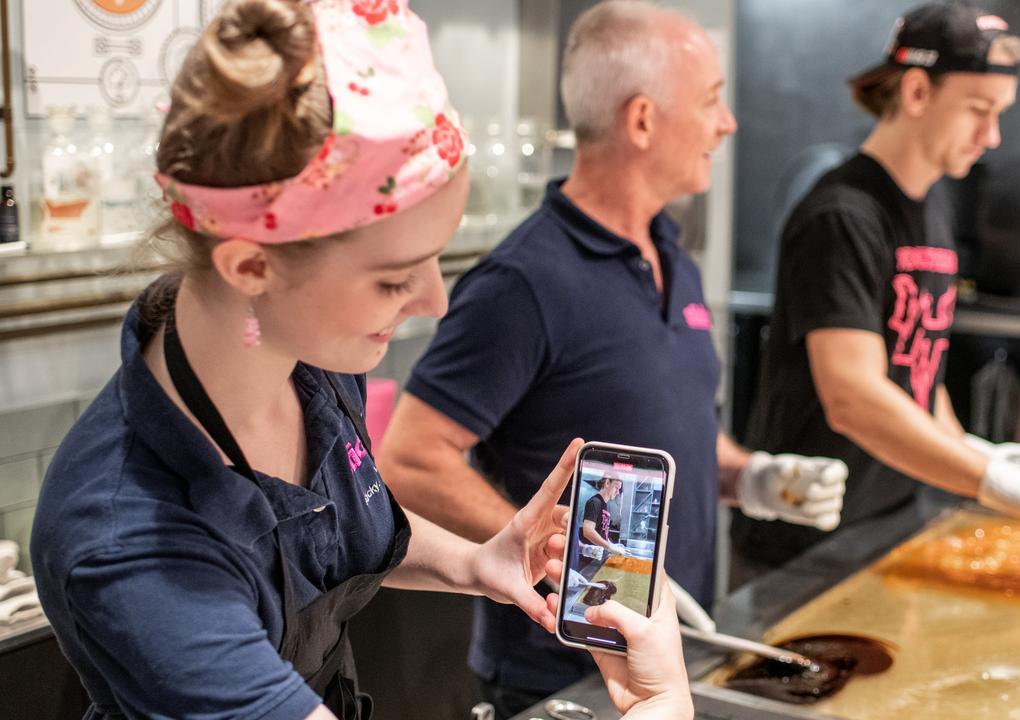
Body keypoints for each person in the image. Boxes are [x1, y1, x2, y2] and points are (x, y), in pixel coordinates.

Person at [29, 2, 693, 718]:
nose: (436, 302)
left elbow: (333, 526)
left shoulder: (308, 354)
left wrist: (474, 562)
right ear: (252, 267)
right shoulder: (130, 546)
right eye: (394, 279)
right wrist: (662, 702)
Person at [376, 1, 848, 715]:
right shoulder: (523, 281)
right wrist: (562, 562)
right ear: (642, 121)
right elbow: (410, 458)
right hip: (556, 673)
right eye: (713, 102)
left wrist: (751, 476)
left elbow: (663, 424)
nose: (728, 124)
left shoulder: (672, 258)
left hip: (667, 659)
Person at [734, 3, 1020, 575]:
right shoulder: (843, 215)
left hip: (891, 519)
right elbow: (852, 396)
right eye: (978, 110)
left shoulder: (932, 205)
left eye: (999, 113)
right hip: (806, 545)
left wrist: (974, 450)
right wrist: (992, 482)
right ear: (916, 93)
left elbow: (917, 368)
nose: (993, 136)